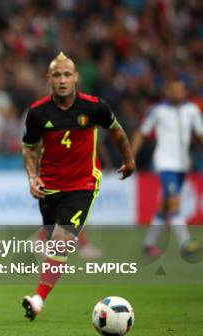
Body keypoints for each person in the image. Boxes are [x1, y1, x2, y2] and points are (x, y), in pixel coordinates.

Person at [20, 52, 135, 320]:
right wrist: (32, 176)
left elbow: (116, 131)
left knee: (61, 241)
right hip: (49, 186)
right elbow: (29, 148)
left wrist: (129, 160)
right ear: (49, 78)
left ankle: (38, 299)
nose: (62, 80)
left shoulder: (95, 107)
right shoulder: (38, 113)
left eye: (67, 75)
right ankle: (43, 239)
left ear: (76, 78)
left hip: (82, 184)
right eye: (57, 75)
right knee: (52, 239)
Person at [131, 79, 203, 256]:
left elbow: (200, 135)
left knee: (165, 206)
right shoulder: (158, 111)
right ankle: (186, 243)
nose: (178, 93)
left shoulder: (192, 110)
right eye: (175, 90)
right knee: (173, 201)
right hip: (164, 163)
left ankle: (149, 243)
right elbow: (141, 132)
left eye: (181, 90)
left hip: (183, 165)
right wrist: (130, 156)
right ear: (168, 92)